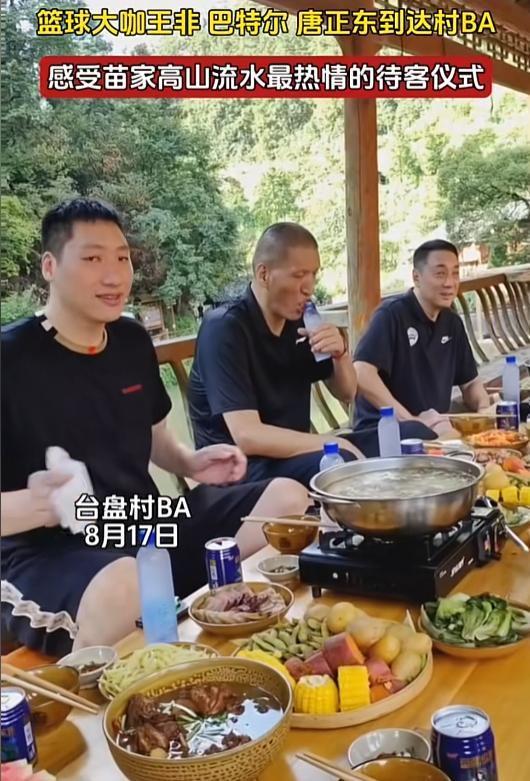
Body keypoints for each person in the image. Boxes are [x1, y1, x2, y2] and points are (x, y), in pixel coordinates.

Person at [1, 199, 309, 656]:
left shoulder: (130, 340)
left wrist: (190, 462)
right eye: (92, 259)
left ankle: (227, 636)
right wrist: (41, 506)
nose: (114, 275)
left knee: (285, 502)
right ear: (50, 266)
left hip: (144, 523)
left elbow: (155, 435)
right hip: (49, 550)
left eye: (122, 258)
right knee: (127, 583)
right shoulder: (10, 360)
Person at [188, 222, 364, 487]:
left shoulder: (301, 322)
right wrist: (330, 443)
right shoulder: (224, 328)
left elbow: (347, 393)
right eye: (299, 275)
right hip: (239, 471)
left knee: (407, 432)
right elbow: (247, 436)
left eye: (313, 274)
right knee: (342, 460)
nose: (309, 288)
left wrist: (340, 355)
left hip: (290, 458)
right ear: (264, 274)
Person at [353, 239, 490, 440]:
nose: (449, 283)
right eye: (440, 274)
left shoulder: (452, 322)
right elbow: (361, 372)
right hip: (385, 430)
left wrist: (485, 409)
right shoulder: (391, 315)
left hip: (435, 426)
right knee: (458, 444)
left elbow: (470, 384)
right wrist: (410, 421)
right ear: (416, 277)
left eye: (455, 273)